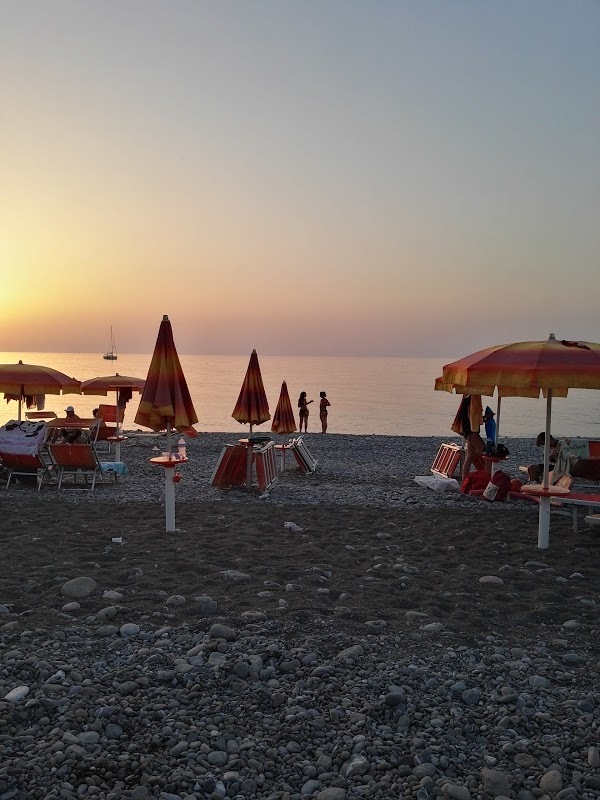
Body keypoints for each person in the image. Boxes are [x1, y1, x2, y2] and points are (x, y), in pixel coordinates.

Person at [452, 395, 485, 480]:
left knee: (470, 456)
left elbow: (473, 416)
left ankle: (463, 481)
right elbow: (464, 414)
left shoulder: (474, 397)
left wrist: (485, 418)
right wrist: (468, 433)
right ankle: (488, 478)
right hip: (471, 432)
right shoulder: (470, 396)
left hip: (472, 431)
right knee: (486, 454)